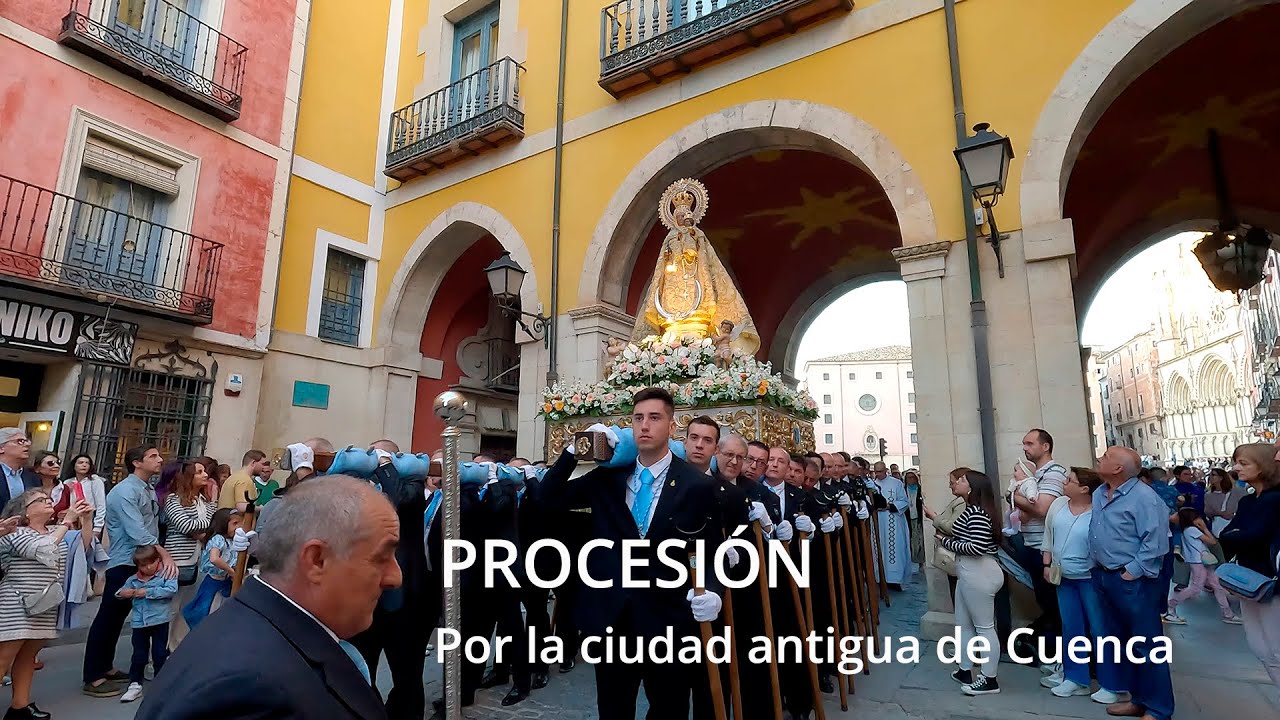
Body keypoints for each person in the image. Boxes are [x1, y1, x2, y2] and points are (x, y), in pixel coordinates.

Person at [137, 477, 400, 719]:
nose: (395, 577)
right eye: (381, 558)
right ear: (317, 560)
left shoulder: (264, 632)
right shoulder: (250, 689)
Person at [539, 387, 725, 720]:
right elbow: (547, 498)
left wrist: (712, 589)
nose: (645, 426)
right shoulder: (607, 479)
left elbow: (708, 550)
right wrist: (574, 450)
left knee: (669, 711)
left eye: (654, 418)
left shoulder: (696, 485)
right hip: (613, 618)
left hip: (668, 622)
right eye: (638, 418)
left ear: (671, 426)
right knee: (613, 710)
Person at [83, 445, 176, 698]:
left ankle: (106, 666)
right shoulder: (125, 491)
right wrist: (164, 554)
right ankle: (94, 675)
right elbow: (137, 531)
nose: (160, 460)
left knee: (116, 620)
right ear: (136, 462)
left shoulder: (145, 488)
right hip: (125, 562)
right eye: (153, 456)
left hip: (141, 560)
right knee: (109, 618)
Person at [348, 439, 430, 720]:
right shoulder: (361, 487)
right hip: (367, 596)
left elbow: (397, 502)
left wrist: (386, 466)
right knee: (361, 669)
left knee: (407, 673)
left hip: (404, 598)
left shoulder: (411, 484)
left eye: (378, 454)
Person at [1090, 446, 1174, 720]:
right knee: (1124, 643)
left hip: (1133, 581)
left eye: (1106, 456)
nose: (1099, 457)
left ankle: (1159, 709)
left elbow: (1156, 542)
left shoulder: (1145, 498)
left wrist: (1132, 571)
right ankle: (1138, 699)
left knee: (1147, 645)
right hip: (1104, 576)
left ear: (1118, 468)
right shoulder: (1100, 493)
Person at [0, 490, 89, 719]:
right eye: (40, 500)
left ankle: (20, 707)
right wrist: (67, 522)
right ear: (24, 511)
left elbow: (83, 547)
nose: (48, 501)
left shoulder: (53, 531)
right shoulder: (15, 533)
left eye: (48, 499)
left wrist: (86, 519)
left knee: (28, 656)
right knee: (3, 658)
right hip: (16, 605)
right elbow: (44, 548)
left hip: (44, 604)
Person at [1039, 467, 1126, 702]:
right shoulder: (1058, 505)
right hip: (1063, 576)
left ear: (1085, 489)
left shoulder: (1099, 510)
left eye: (1070, 480)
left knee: (1100, 630)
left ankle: (1112, 684)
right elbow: (1048, 535)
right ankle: (1075, 678)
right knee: (1071, 627)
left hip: (1090, 577)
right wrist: (1047, 563)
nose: (1064, 482)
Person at [939, 469, 1004, 696]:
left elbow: (976, 547)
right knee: (964, 623)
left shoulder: (977, 513)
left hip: (979, 572)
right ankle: (965, 669)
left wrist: (946, 542)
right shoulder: (972, 509)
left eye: (962, 480)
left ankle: (989, 678)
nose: (957, 482)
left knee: (984, 627)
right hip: (969, 572)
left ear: (972, 487)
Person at [1220, 443, 1280, 689]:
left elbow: (1252, 535)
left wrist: (1237, 535)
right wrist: (1238, 536)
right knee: (1260, 647)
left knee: (1275, 647)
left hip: (1270, 581)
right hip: (1247, 578)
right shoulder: (1248, 501)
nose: (1236, 468)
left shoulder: (1275, 499)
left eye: (1243, 463)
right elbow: (1227, 535)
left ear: (1264, 466)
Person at [162, 459, 217, 648]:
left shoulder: (203, 500)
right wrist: (202, 528)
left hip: (198, 559)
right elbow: (185, 525)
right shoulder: (173, 499)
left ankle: (178, 646)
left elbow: (214, 523)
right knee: (172, 607)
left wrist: (201, 529)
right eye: (199, 472)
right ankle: (161, 648)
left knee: (187, 606)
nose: (205, 475)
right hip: (178, 558)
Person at [117, 544, 178, 703]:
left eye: (152, 563)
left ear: (158, 560)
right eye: (143, 565)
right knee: (139, 654)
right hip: (139, 622)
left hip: (160, 620)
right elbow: (120, 592)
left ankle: (161, 683)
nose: (148, 567)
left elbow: (171, 590)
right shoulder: (133, 580)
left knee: (159, 653)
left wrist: (147, 592)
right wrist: (123, 593)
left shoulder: (165, 574)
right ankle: (135, 684)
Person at [1162, 508, 1238, 625]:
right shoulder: (1192, 530)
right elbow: (1212, 542)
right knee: (1196, 588)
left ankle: (1228, 614)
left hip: (1202, 561)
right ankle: (1170, 605)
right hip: (1199, 562)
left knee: (1216, 586)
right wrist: (1205, 528)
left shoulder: (1186, 530)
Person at [181, 508, 241, 629]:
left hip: (226, 581)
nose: (239, 527)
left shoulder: (232, 541)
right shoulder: (218, 539)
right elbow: (214, 559)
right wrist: (231, 571)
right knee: (206, 610)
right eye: (235, 523)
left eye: (240, 523)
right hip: (214, 581)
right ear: (223, 523)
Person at [869, 461, 911, 590]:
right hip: (877, 521)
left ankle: (895, 579)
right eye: (876, 472)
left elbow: (904, 501)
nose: (878, 474)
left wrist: (889, 506)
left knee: (895, 549)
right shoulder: (872, 485)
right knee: (878, 548)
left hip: (894, 521)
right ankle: (879, 578)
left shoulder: (896, 483)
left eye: (880, 471)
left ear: (886, 470)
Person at [55, 455, 108, 540]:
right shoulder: (67, 482)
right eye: (80, 463)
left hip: (89, 516)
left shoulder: (95, 481)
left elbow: (101, 505)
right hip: (73, 517)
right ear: (74, 466)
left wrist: (98, 527)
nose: (84, 465)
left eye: (87, 463)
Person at [0, 430, 40, 511]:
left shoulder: (33, 477)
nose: (28, 444)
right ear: (1, 448)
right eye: (20, 441)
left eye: (26, 441)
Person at [1204, 468, 1247, 536]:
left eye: (1213, 475)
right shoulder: (1208, 495)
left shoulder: (1238, 492)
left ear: (1221, 478)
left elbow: (1247, 506)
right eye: (1210, 475)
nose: (1210, 477)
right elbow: (1207, 512)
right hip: (1218, 528)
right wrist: (1220, 513)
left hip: (1237, 527)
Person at [903, 469, 925, 570]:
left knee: (919, 540)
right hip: (906, 518)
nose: (911, 480)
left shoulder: (921, 490)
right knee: (909, 539)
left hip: (918, 519)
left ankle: (920, 561)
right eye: (908, 478)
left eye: (913, 477)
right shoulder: (903, 490)